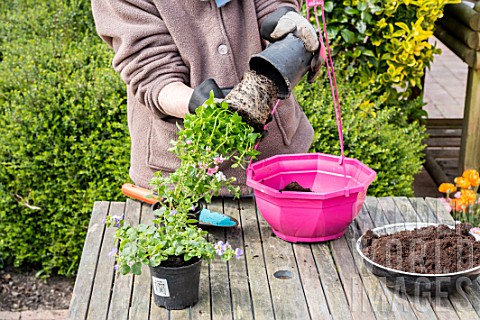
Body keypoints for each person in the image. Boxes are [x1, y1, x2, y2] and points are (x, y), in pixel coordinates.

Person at [91, 0, 319, 195]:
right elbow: (151, 68)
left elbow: (271, 4)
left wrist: (282, 19)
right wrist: (199, 104)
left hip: (277, 165)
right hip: (182, 181)